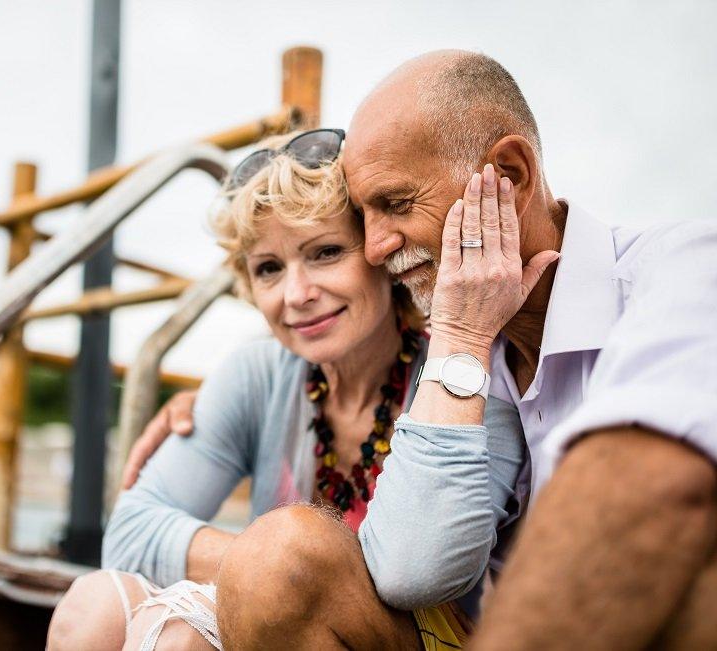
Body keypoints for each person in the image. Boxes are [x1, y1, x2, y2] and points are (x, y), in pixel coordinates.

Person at [138, 50, 717, 649]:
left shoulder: (684, 271)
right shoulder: (471, 341)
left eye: (394, 204)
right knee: (176, 594)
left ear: (511, 175)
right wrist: (462, 340)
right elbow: (406, 567)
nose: (375, 248)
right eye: (361, 219)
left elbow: (653, 489)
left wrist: (461, 338)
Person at [47, 129, 530, 650]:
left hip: (431, 638)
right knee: (91, 607)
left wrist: (279, 570)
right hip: (280, 628)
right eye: (269, 269)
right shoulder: (260, 373)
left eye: (325, 252)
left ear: (378, 253)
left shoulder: (465, 370)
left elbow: (420, 572)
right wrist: (272, 572)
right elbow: (129, 533)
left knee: (183, 635)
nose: (297, 295)